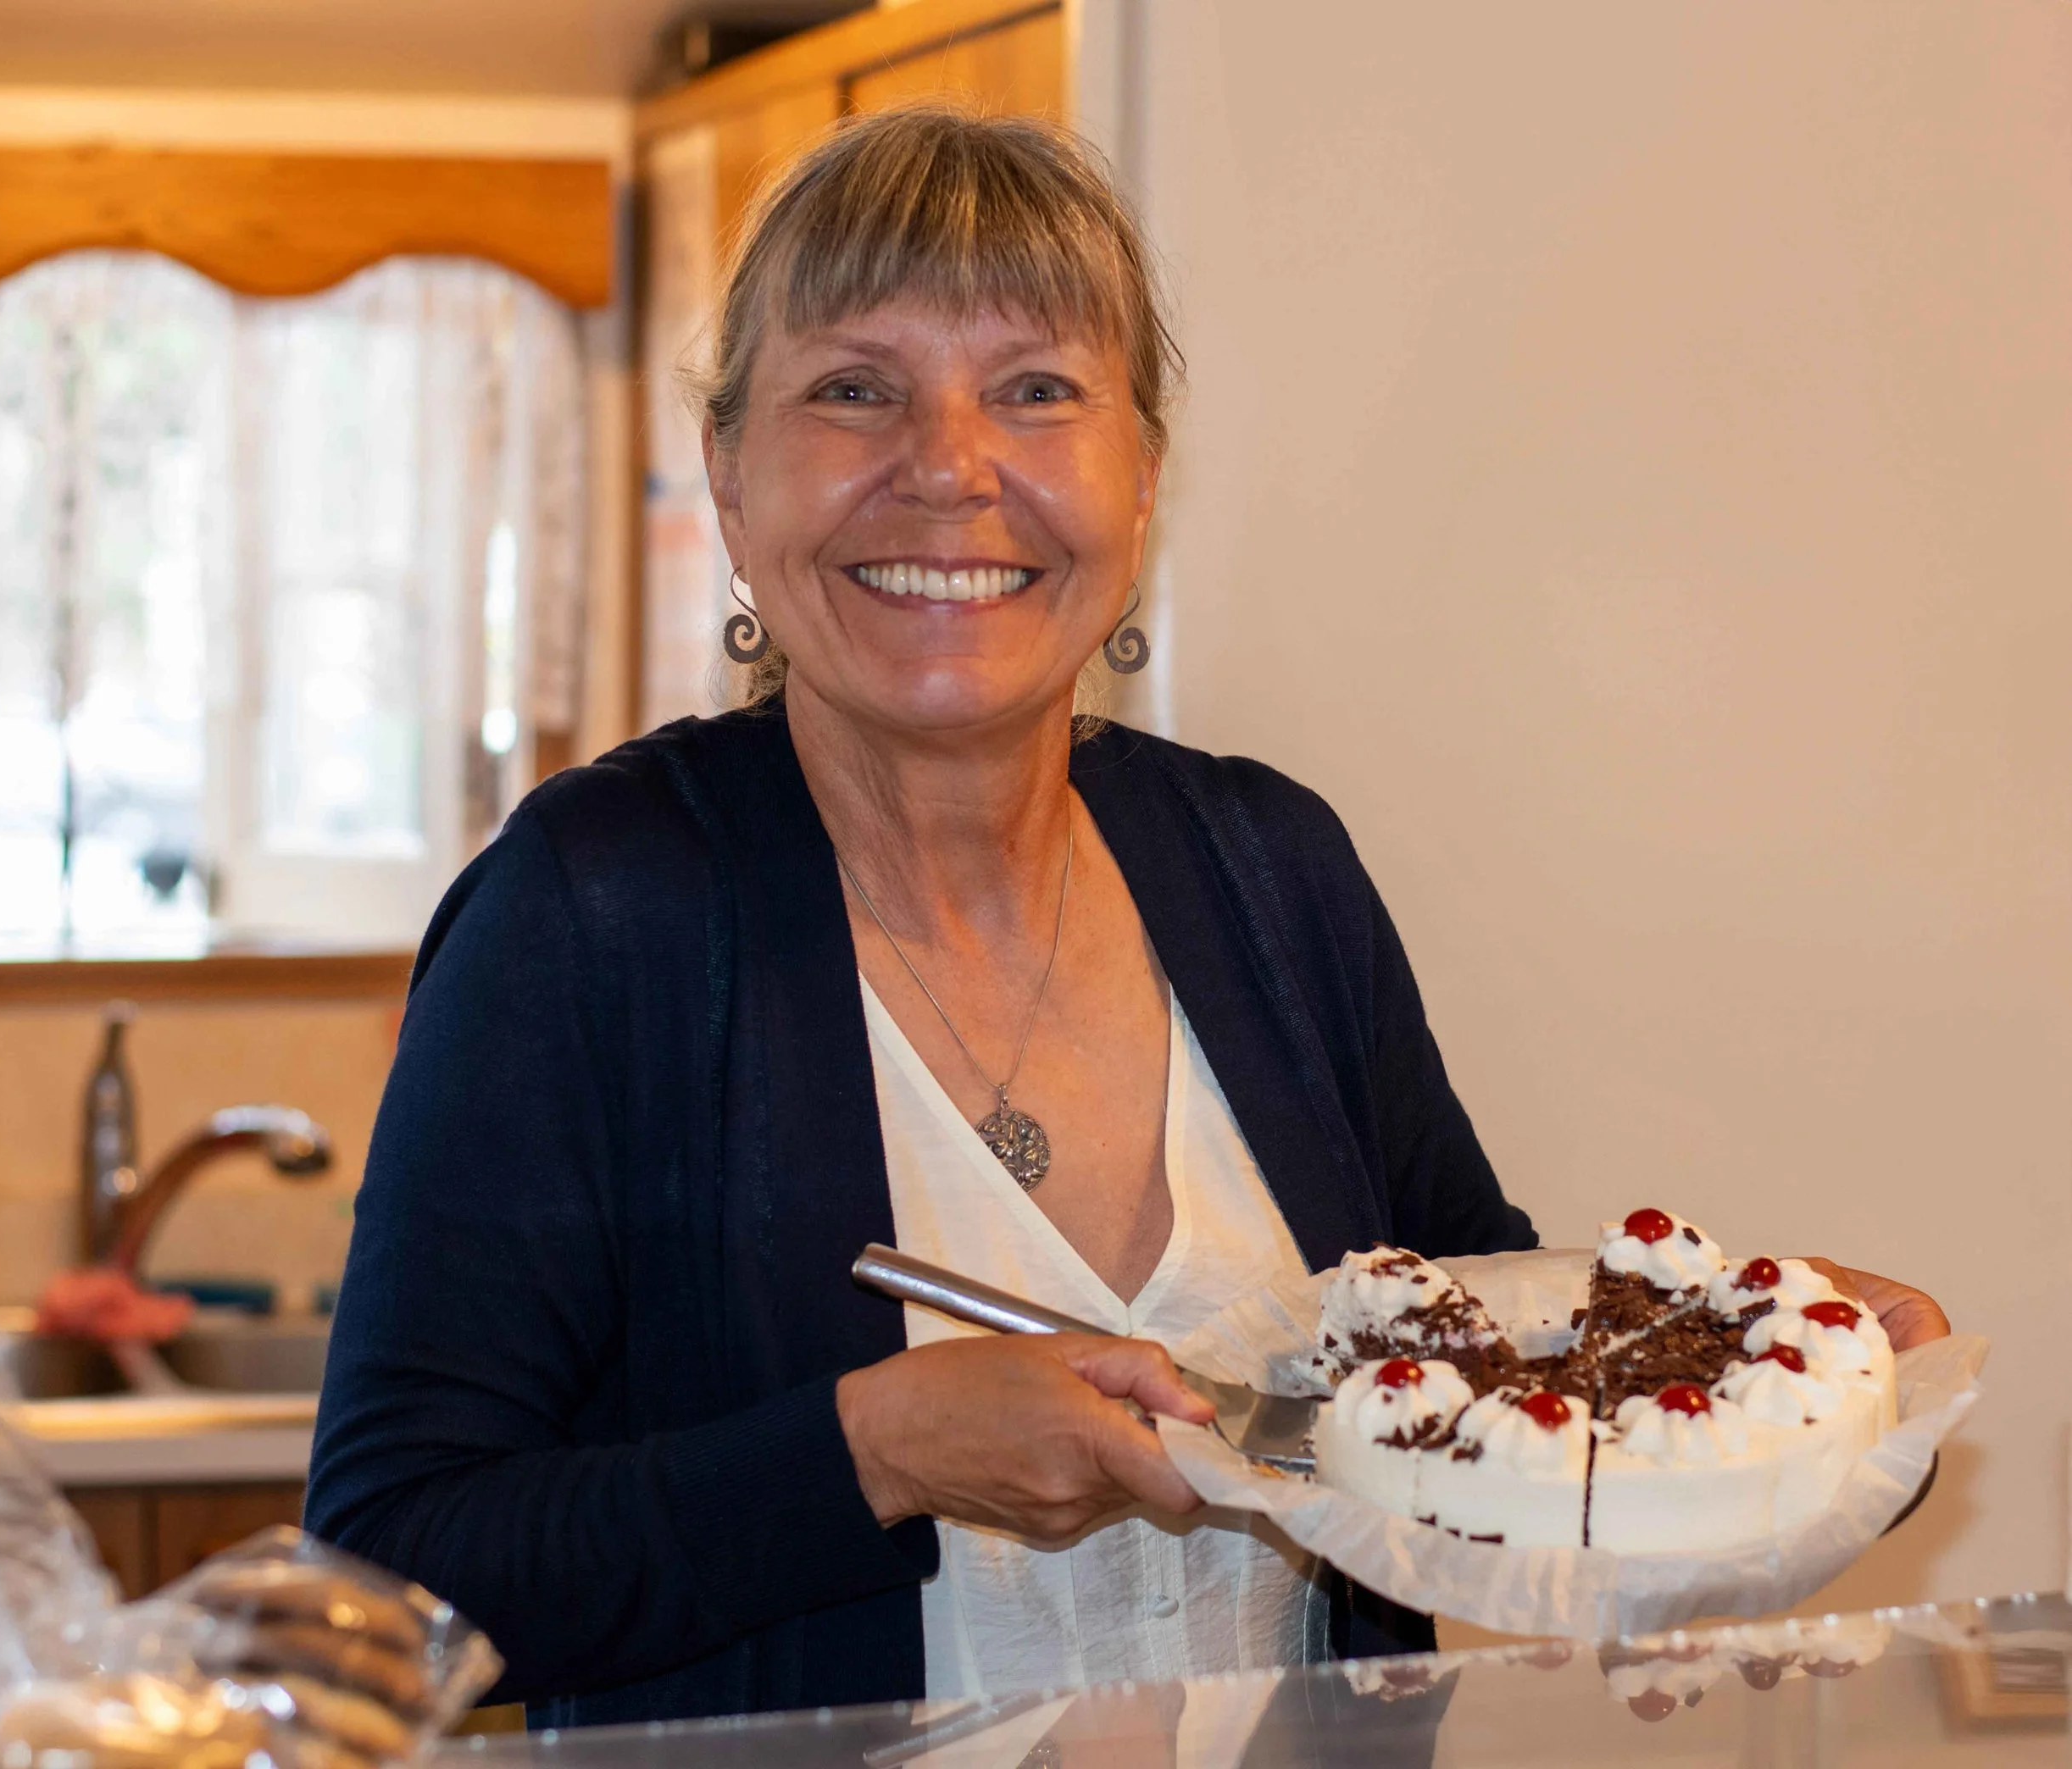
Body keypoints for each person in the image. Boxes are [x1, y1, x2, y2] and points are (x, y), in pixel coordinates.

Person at [304, 104, 1948, 1729]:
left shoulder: (1268, 871)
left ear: (1138, 483)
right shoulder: (589, 915)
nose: (948, 466)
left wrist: (1778, 1390)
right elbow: (379, 1585)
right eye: (853, 391)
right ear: (731, 482)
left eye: (1034, 392)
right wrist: (872, 1454)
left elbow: (1491, 1424)